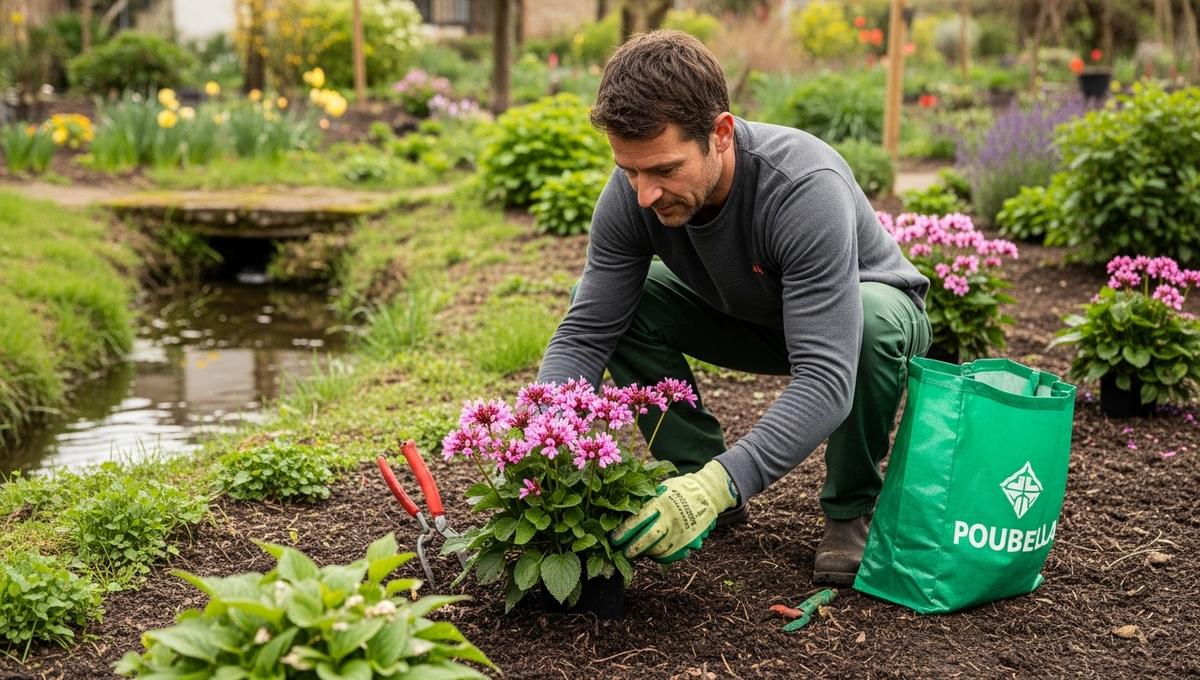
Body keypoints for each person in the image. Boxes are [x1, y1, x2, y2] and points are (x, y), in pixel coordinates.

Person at [535, 30, 931, 586]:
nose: (644, 192)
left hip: (862, 319)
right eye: (631, 170)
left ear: (720, 134)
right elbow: (586, 332)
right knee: (614, 301)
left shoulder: (801, 186)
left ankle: (850, 509)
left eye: (665, 169)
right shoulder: (633, 194)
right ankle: (691, 469)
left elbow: (825, 375)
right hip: (750, 316)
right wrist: (536, 435)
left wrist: (726, 480)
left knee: (869, 321)